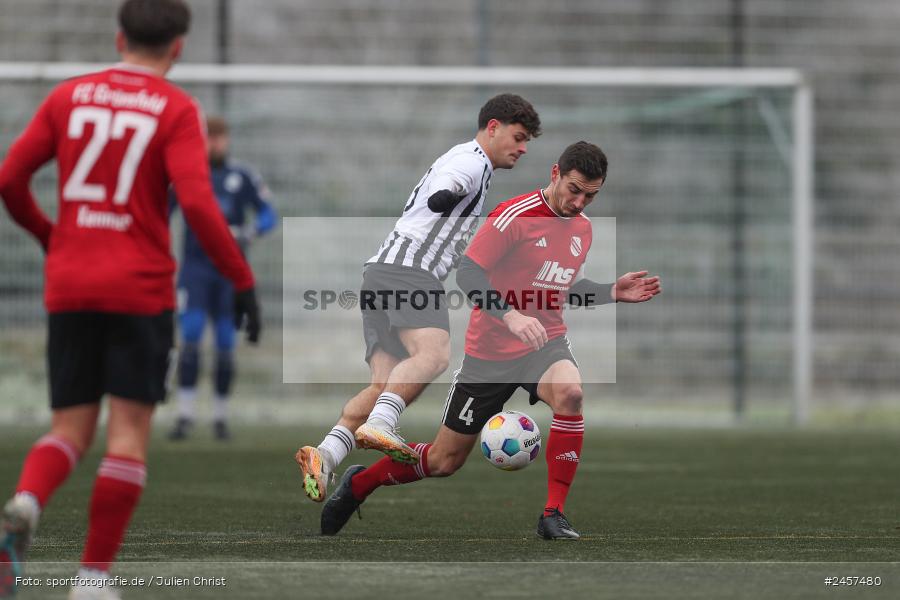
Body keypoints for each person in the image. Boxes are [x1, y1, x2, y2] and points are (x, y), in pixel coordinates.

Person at [0, 1, 260, 598]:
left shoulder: (68, 96)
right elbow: (198, 205)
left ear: (119, 38)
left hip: (70, 284)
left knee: (68, 429)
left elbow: (9, 180)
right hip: (139, 290)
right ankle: (92, 581)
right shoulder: (176, 108)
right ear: (178, 47)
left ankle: (27, 500)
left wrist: (50, 236)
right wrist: (241, 279)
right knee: (127, 434)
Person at [319, 141, 660, 540]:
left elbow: (561, 288)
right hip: (489, 356)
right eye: (574, 190)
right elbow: (468, 274)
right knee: (444, 461)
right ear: (555, 173)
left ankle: (553, 514)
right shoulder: (513, 216)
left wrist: (610, 292)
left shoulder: (582, 229)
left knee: (571, 393)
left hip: (544, 343)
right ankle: (361, 483)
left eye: (591, 196)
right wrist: (510, 315)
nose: (580, 202)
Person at [296, 94, 542, 502]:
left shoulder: (468, 160)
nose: (523, 148)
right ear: (492, 128)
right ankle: (380, 426)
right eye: (518, 137)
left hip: (380, 271)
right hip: (409, 271)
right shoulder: (472, 162)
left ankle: (325, 453)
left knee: (384, 385)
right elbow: (450, 184)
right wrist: (445, 195)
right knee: (435, 355)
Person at [168, 116, 277, 442]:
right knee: (190, 336)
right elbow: (161, 210)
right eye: (208, 138)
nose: (213, 144)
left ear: (226, 140)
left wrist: (251, 231)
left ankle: (219, 417)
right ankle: (185, 414)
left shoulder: (242, 176)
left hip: (229, 272)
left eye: (218, 137)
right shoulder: (187, 175)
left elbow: (268, 213)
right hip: (196, 270)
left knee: (226, 343)